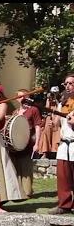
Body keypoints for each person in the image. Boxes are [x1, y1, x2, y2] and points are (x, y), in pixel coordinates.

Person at [49, 74, 74, 214]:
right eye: (66, 84)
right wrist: (55, 112)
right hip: (64, 144)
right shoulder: (63, 103)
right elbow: (55, 124)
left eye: (71, 83)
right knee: (63, 177)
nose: (68, 86)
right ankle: (64, 205)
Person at [10, 89, 42, 197]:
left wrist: (37, 143)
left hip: (27, 144)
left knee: (26, 167)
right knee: (16, 167)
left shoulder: (33, 110)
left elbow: (38, 127)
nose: (21, 98)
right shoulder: (15, 112)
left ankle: (27, 191)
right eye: (19, 96)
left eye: (23, 96)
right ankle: (18, 191)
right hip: (15, 145)